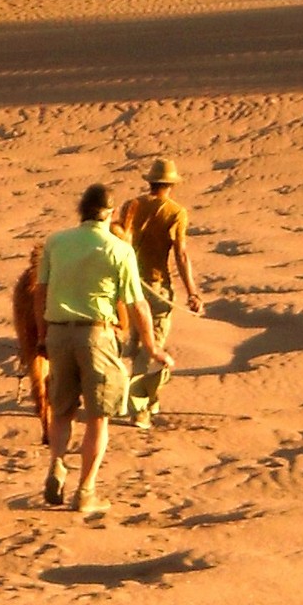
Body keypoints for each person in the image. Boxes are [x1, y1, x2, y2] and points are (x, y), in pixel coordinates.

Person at [36, 184, 173, 516]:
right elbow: (136, 304)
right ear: (110, 213)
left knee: (63, 409)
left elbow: (41, 291)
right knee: (99, 416)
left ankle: (56, 463)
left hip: (58, 333)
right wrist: (153, 348)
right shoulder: (120, 249)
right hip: (96, 335)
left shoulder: (55, 242)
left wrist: (43, 334)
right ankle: (85, 491)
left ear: (80, 210)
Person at [115, 156, 204, 428]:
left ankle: (144, 402)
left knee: (135, 343)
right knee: (150, 348)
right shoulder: (175, 212)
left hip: (126, 284)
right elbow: (181, 254)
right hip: (155, 285)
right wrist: (192, 292)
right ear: (171, 185)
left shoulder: (131, 206)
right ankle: (139, 409)